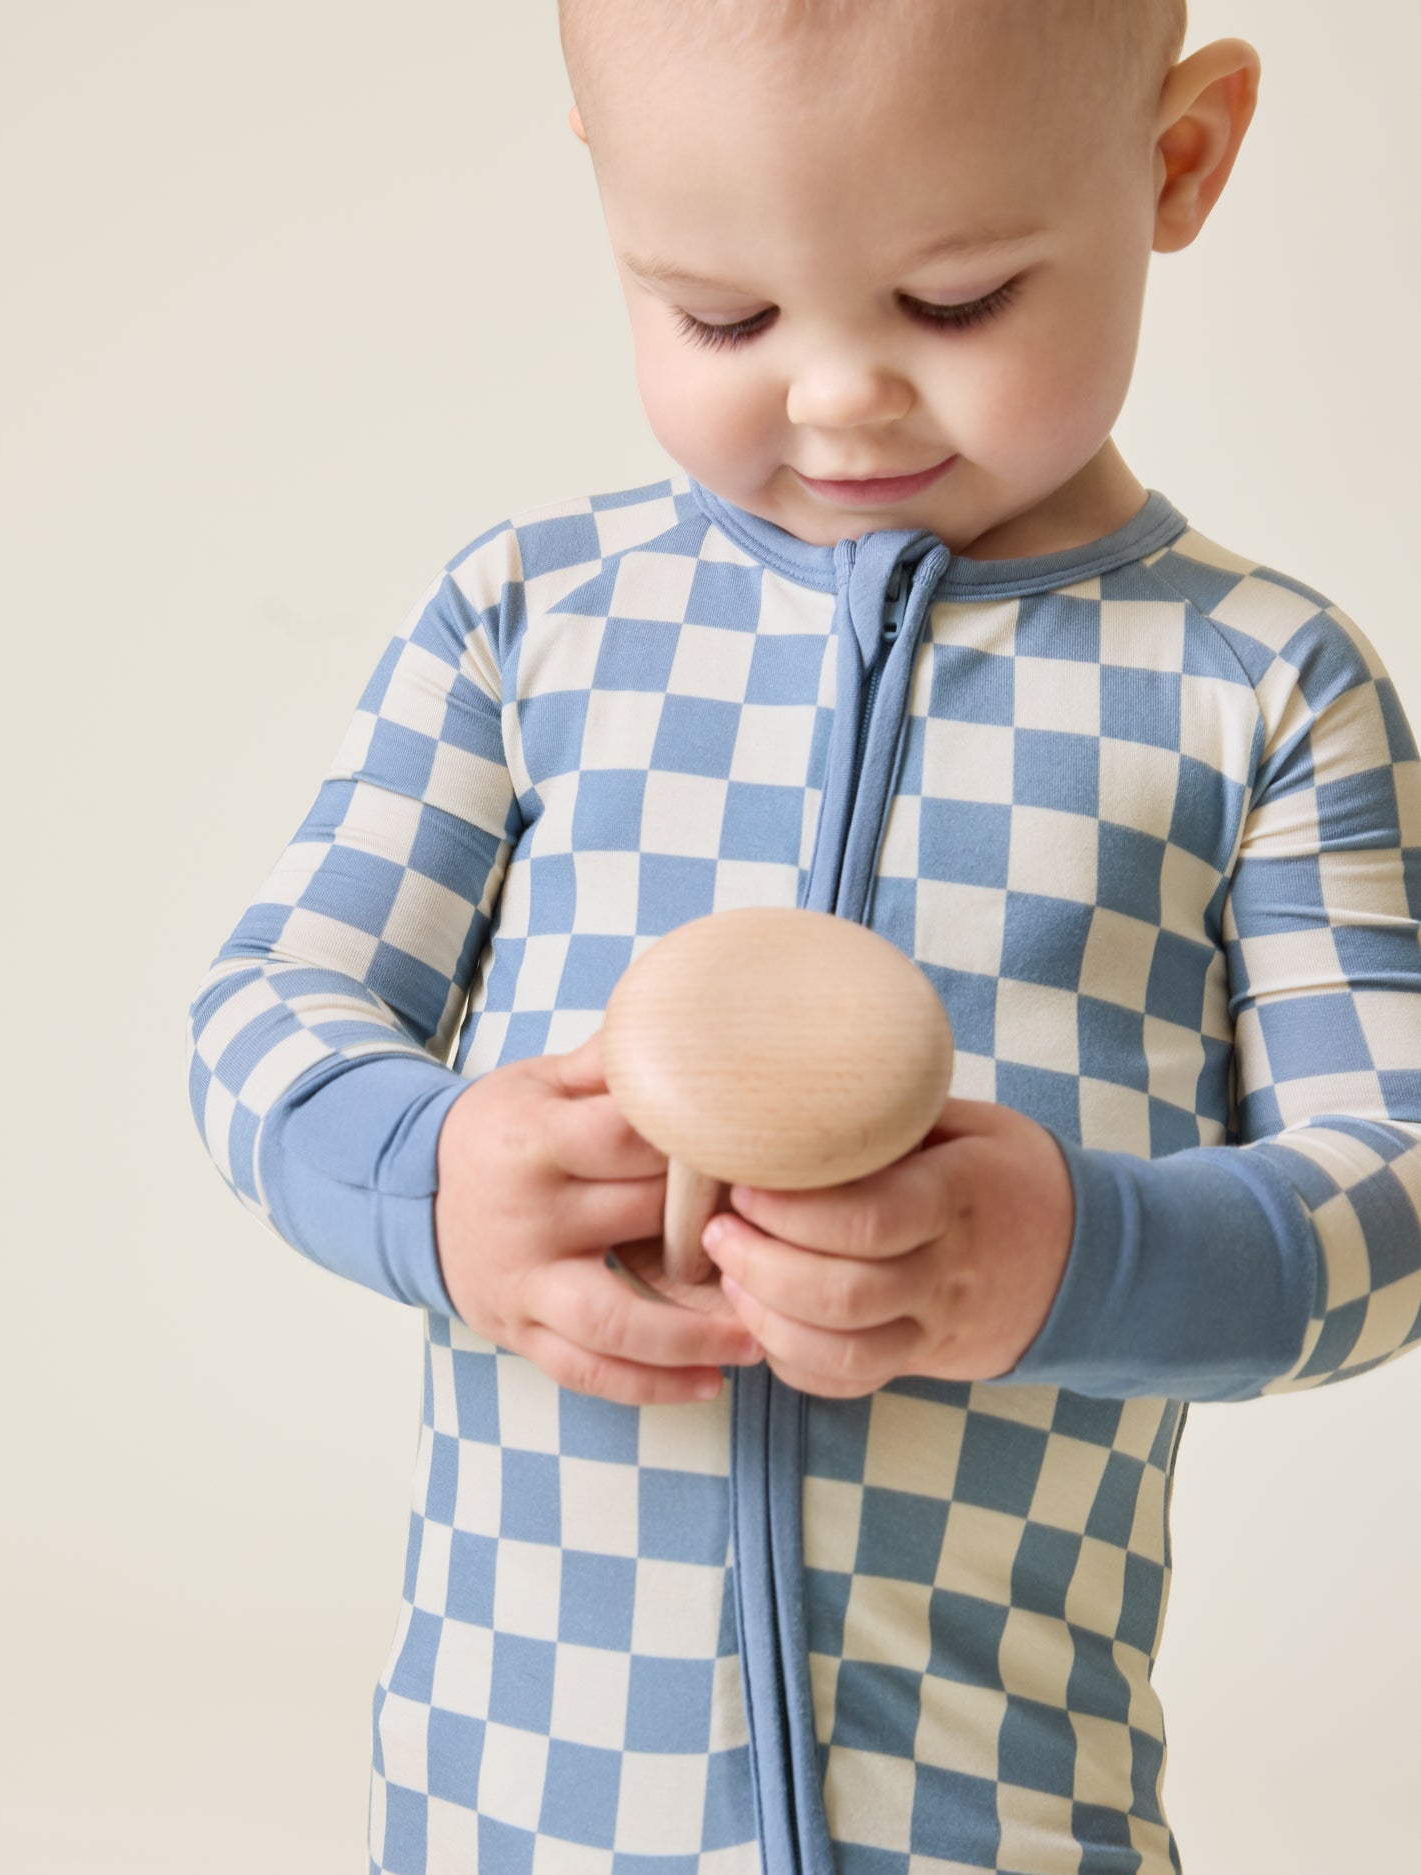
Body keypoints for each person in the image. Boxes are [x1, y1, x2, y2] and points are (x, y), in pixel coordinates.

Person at [183, 2, 1421, 1869]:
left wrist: (1071, 1255)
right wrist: (429, 1175)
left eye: (956, 302)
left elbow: (1395, 1191)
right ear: (610, 187)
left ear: (1176, 162)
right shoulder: (532, 620)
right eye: (723, 316)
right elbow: (264, 1011)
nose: (837, 394)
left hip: (1003, 1810)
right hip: (522, 1801)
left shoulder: (1260, 689)